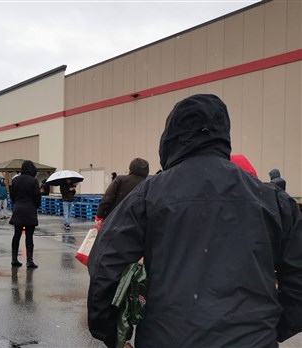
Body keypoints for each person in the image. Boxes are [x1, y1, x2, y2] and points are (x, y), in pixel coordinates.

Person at [87, 94, 302, 348]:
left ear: (170, 137)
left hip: (167, 338)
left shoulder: (149, 195)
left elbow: (105, 262)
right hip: (252, 339)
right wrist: (278, 326)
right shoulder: (272, 199)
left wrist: (113, 334)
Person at [9, 160, 41, 268]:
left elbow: (12, 196)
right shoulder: (33, 181)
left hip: (18, 209)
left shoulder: (15, 180)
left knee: (16, 235)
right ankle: (29, 260)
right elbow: (37, 197)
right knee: (29, 236)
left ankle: (14, 259)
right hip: (30, 210)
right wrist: (36, 205)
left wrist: (17, 203)